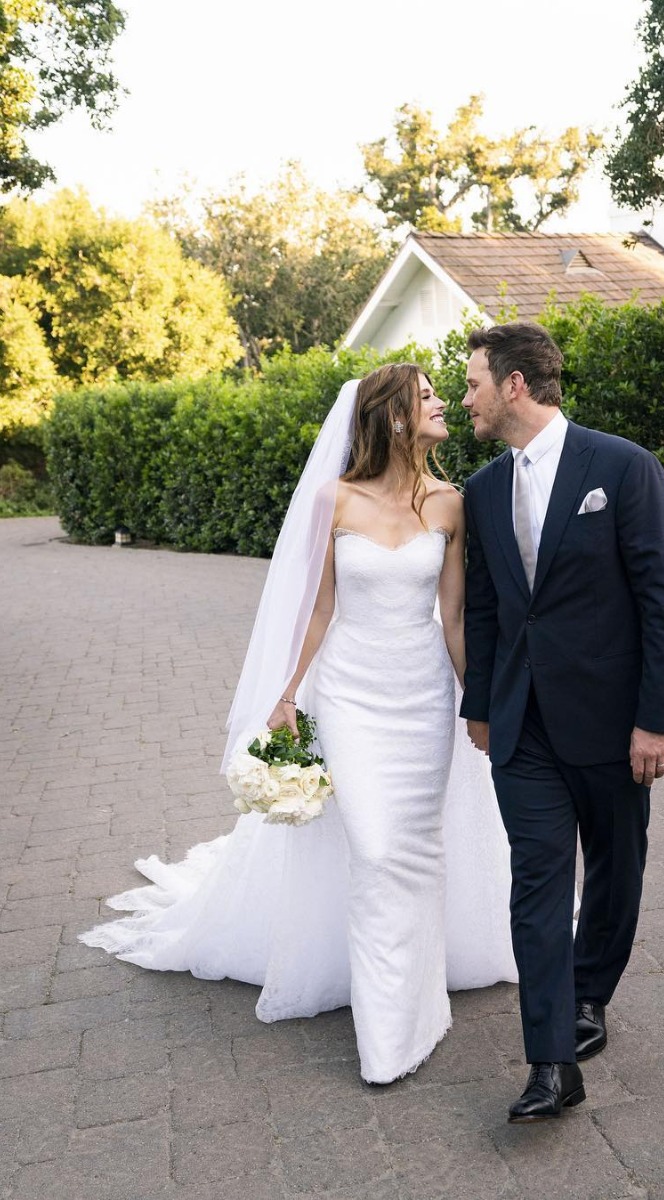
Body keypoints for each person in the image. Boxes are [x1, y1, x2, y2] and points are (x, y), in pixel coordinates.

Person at [80, 363, 516, 1085]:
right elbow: (317, 609)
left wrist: (480, 704)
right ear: (396, 418)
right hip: (349, 695)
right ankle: (389, 1039)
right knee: (376, 851)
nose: (445, 404)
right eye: (429, 396)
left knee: (417, 850)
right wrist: (284, 696)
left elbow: (455, 617)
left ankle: (419, 1002)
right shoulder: (333, 500)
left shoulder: (450, 503)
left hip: (424, 701)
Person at [460, 322, 664, 1122]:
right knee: (537, 882)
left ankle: (591, 995)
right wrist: (483, 707)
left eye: (474, 385)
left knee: (616, 871)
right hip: (522, 730)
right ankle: (552, 1060)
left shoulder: (623, 467)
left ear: (515, 384)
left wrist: (657, 721)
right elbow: (487, 609)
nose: (467, 401)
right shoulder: (483, 490)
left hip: (613, 723)